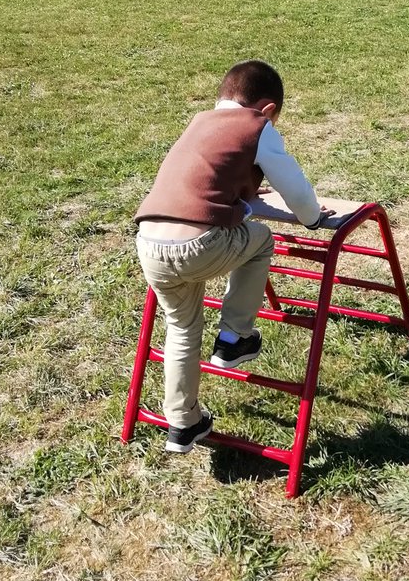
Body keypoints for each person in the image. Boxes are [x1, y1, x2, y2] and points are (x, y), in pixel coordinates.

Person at [134, 60, 331, 454]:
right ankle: (234, 337)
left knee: (182, 328)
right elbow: (293, 185)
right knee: (259, 239)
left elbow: (205, 179)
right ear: (268, 109)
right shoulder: (257, 125)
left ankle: (183, 422)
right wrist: (310, 217)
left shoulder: (198, 122)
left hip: (149, 241)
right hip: (199, 242)